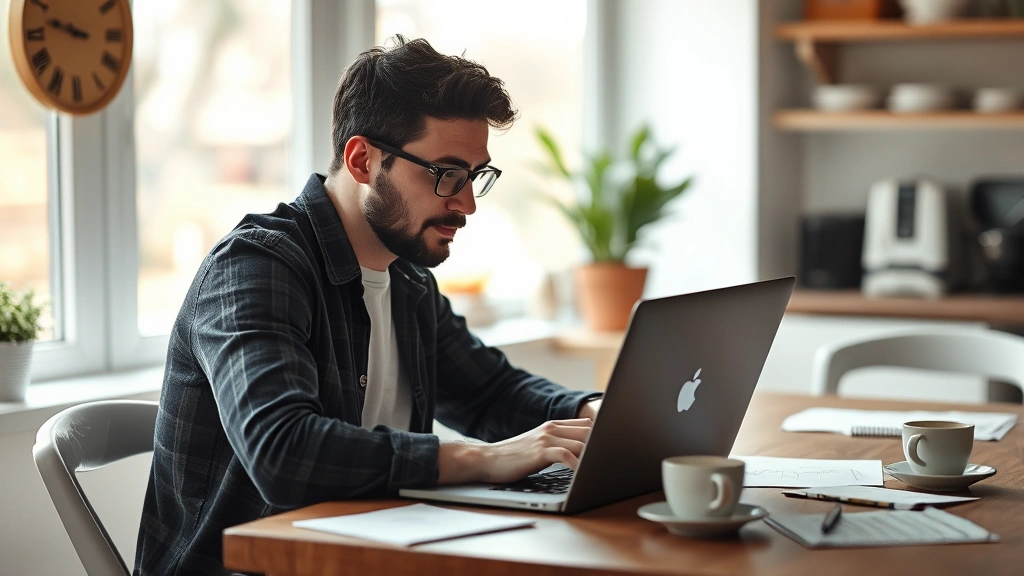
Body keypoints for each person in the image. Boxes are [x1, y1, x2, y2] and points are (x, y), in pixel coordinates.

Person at [133, 36, 603, 575]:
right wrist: (484, 459)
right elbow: (281, 451)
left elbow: (490, 392)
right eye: (447, 173)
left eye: (475, 176)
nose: (467, 203)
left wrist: (595, 415)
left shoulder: (406, 281)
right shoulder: (256, 267)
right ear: (362, 160)